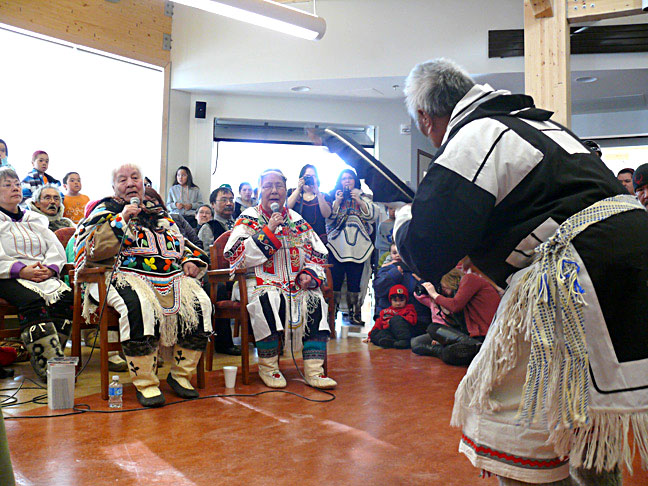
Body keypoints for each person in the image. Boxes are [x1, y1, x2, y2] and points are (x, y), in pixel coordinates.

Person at [396, 58, 648, 485]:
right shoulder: (543, 127)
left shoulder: (476, 136)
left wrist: (404, 218)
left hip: (576, 271)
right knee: (584, 413)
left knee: (515, 420)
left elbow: (427, 250)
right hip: (630, 256)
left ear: (424, 118)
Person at [74, 163, 212, 407]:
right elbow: (87, 249)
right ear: (114, 186)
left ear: (143, 183)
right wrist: (120, 220)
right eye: (123, 179)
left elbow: (183, 244)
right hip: (117, 276)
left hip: (169, 277)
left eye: (135, 178)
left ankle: (180, 375)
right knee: (139, 305)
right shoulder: (104, 209)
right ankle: (146, 382)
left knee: (201, 303)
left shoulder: (158, 213)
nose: (130, 183)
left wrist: (189, 260)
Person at [224, 168, 336, 389]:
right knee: (268, 299)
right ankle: (269, 367)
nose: (274, 191)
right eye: (268, 186)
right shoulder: (248, 217)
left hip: (294, 283)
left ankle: (314, 370)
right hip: (257, 281)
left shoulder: (297, 219)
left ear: (286, 190)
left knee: (315, 301)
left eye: (279, 186)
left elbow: (318, 253)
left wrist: (309, 275)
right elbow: (236, 255)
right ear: (260, 191)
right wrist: (269, 230)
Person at [0, 167, 73, 380]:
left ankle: (53, 358)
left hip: (40, 272)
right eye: (7, 184)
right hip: (7, 274)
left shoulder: (34, 218)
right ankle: (49, 367)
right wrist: (21, 270)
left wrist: (49, 269)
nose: (15, 187)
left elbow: (54, 247)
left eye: (16, 183)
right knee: (31, 300)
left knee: (66, 297)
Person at [411, 266, 500, 365]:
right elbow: (454, 321)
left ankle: (440, 350)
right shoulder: (458, 294)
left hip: (484, 334)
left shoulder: (470, 279)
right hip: (469, 336)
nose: (443, 290)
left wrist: (435, 295)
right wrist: (439, 304)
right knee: (427, 333)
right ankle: (464, 347)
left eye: (443, 286)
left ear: (449, 280)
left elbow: (455, 306)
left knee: (448, 353)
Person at [326, 168, 378, 326]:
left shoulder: (365, 198)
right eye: (343, 179)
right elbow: (328, 219)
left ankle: (354, 314)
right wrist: (337, 202)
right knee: (335, 281)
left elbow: (372, 216)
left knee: (355, 282)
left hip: (358, 249)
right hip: (337, 247)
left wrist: (360, 201)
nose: (347, 181)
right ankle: (332, 314)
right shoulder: (333, 197)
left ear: (355, 180)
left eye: (349, 178)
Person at [372, 243, 430, 334]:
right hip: (389, 316)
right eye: (394, 253)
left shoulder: (419, 269)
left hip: (413, 318)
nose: (398, 255)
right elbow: (379, 289)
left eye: (401, 252)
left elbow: (427, 293)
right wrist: (394, 274)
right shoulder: (386, 269)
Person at [287, 164, 332, 245]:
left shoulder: (324, 196)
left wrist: (317, 193)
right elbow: (286, 208)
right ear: (301, 178)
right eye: (307, 176)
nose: (310, 178)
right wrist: (298, 189)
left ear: (317, 179)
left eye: (313, 176)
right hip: (296, 238)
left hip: (318, 239)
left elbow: (327, 214)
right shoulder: (292, 192)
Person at [368, 284, 417, 349]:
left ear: (406, 300)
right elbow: (378, 324)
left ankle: (404, 341)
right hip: (389, 332)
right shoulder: (385, 311)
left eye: (401, 300)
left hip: (403, 332)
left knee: (396, 319)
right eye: (395, 301)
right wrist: (370, 336)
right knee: (374, 333)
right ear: (390, 300)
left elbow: (413, 321)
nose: (398, 303)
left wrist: (394, 321)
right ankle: (390, 342)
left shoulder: (409, 309)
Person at [198, 186, 236, 251]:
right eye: (224, 200)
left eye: (231, 200)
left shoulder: (240, 224)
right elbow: (205, 255)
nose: (229, 203)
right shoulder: (208, 228)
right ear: (213, 204)